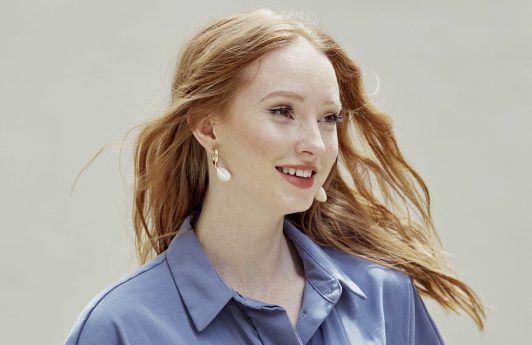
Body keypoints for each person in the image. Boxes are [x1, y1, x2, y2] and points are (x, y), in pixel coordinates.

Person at [64, 8, 485, 345]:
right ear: (208, 128)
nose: (315, 144)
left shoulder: (383, 297)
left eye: (328, 118)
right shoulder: (122, 327)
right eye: (283, 111)